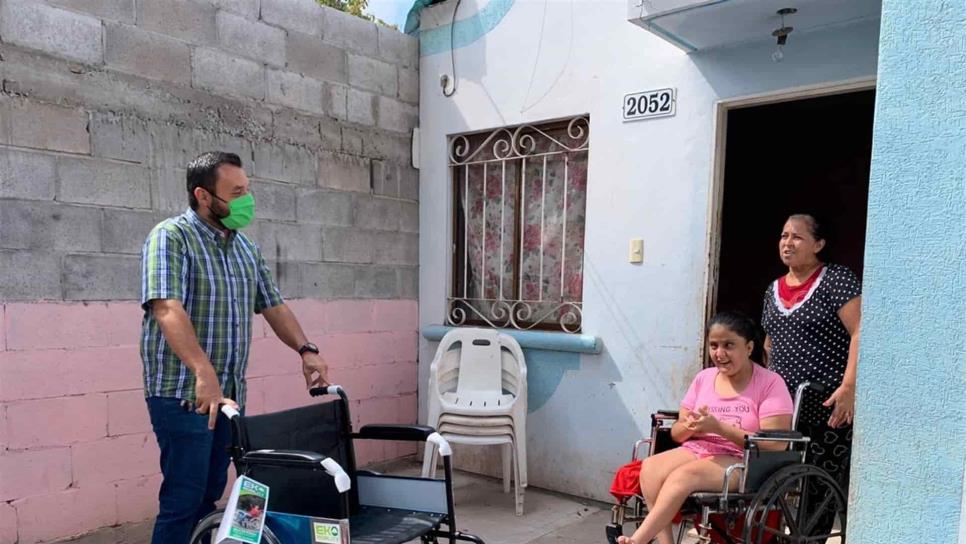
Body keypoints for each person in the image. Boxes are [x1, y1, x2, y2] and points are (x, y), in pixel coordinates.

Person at [140, 151, 329, 543]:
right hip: (183, 393)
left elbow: (273, 305)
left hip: (227, 397)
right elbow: (166, 308)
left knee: (211, 493)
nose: (246, 200)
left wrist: (306, 349)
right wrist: (202, 371)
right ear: (203, 195)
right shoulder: (172, 237)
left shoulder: (245, 249)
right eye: (236, 192)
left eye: (247, 190)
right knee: (183, 496)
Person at [618, 312, 793, 544]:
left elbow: (774, 443)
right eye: (714, 345)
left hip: (744, 459)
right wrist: (690, 426)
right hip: (700, 450)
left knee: (683, 476)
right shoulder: (704, 378)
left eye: (729, 345)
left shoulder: (770, 383)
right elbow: (677, 433)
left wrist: (719, 427)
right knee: (650, 468)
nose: (719, 354)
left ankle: (638, 540)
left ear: (749, 347)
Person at [761, 213, 861, 534]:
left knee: (818, 486)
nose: (787, 243)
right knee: (773, 479)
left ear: (818, 244)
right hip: (783, 406)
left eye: (797, 237)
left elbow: (861, 331)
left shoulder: (836, 280)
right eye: (783, 235)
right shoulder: (772, 290)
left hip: (825, 402)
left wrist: (849, 388)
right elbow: (768, 345)